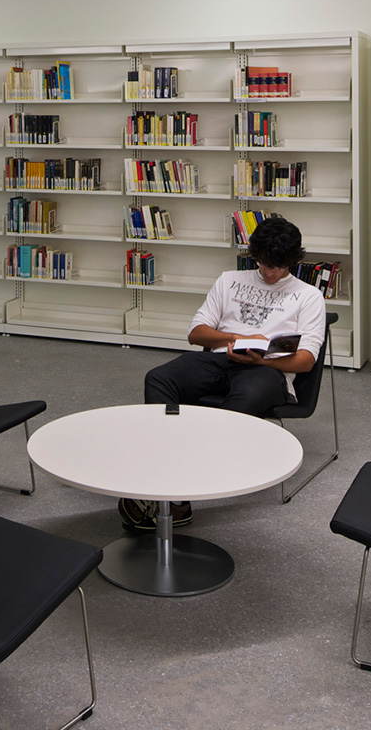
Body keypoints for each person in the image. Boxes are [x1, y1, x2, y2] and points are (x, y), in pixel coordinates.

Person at [119, 215, 327, 531]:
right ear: (254, 256)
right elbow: (196, 333)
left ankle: (178, 485)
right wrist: (237, 339)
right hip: (220, 360)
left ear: (293, 261)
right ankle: (166, 466)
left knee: (242, 400)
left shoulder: (309, 296)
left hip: (267, 371)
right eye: (264, 263)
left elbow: (306, 361)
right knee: (159, 377)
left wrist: (261, 359)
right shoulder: (229, 280)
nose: (270, 272)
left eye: (278, 266)